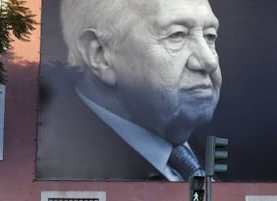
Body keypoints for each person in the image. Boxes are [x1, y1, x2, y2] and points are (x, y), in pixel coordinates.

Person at [57, 0, 222, 181]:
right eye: (177, 35)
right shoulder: (61, 170)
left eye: (210, 36)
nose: (209, 61)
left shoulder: (237, 159)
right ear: (100, 54)